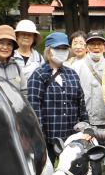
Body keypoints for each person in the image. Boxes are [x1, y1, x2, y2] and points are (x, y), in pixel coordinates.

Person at [27, 32, 89, 161]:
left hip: (72, 137)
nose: (62, 52)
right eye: (58, 49)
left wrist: (86, 127)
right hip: (49, 138)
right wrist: (40, 136)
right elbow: (34, 108)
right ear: (49, 51)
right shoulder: (39, 75)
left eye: (64, 49)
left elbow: (81, 103)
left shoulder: (72, 74)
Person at [76, 31, 105, 128]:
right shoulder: (77, 66)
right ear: (86, 47)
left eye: (99, 44)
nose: (96, 47)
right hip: (84, 120)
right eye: (92, 44)